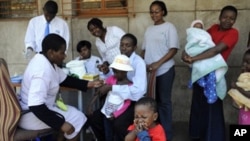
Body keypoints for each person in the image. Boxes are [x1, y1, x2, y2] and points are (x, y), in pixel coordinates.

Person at [18, 34, 103, 141]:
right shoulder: (41, 71)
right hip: (31, 115)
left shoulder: (47, 61)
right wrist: (61, 124)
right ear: (51, 52)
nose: (65, 56)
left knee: (78, 116)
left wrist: (88, 84)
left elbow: (65, 79)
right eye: (62, 52)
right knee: (73, 122)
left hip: (42, 108)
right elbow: (36, 106)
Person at [182, 5, 239, 141]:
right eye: (225, 17)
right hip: (200, 71)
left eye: (232, 19)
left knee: (212, 105)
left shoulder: (233, 33)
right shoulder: (213, 28)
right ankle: (196, 135)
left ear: (235, 21)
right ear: (220, 17)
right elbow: (197, 40)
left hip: (215, 73)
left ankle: (214, 137)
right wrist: (185, 53)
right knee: (198, 103)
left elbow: (215, 50)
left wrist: (193, 58)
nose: (228, 20)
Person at [87, 33, 147, 141]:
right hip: (116, 99)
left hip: (132, 101)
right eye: (122, 45)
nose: (123, 48)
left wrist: (112, 88)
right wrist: (106, 72)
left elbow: (139, 91)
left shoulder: (138, 63)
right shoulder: (119, 59)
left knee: (118, 124)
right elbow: (114, 77)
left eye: (127, 45)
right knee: (94, 118)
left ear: (134, 47)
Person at [140, 1, 179, 140]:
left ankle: (166, 135)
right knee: (152, 103)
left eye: (157, 11)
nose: (154, 14)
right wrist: (142, 63)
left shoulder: (169, 27)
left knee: (164, 103)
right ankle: (154, 133)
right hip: (150, 72)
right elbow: (144, 50)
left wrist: (158, 63)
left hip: (165, 70)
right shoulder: (149, 29)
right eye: (151, 12)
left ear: (163, 12)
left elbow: (173, 49)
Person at [185, 19, 228, 104]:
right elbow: (190, 45)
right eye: (196, 27)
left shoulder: (206, 35)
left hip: (207, 55)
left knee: (211, 71)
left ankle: (210, 92)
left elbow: (209, 44)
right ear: (191, 28)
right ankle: (198, 80)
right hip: (196, 56)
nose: (198, 30)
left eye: (200, 28)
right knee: (197, 67)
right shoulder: (191, 35)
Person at [229, 49, 250, 125]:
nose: (244, 64)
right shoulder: (246, 75)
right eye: (243, 61)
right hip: (244, 110)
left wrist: (237, 87)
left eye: (248, 63)